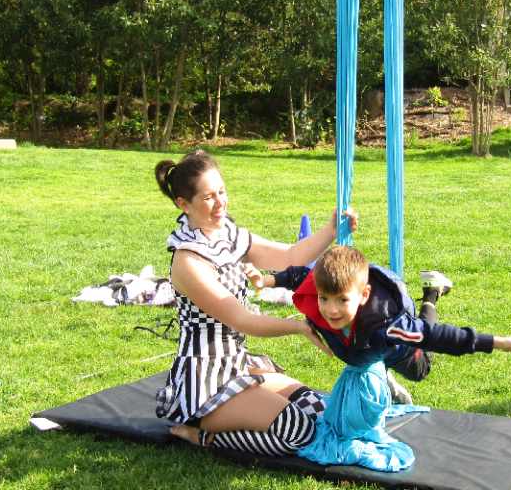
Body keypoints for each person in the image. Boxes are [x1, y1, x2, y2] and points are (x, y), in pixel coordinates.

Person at [250, 245, 511, 470]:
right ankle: (381, 371)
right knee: (371, 351)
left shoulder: (390, 326)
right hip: (365, 353)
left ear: (364, 296)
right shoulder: (321, 289)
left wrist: (500, 343)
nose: (331, 310)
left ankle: (431, 293)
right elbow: (299, 275)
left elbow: (437, 336)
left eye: (342, 300)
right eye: (324, 298)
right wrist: (264, 280)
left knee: (421, 368)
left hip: (396, 349)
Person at [153, 149, 358, 457]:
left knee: (321, 411)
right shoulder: (188, 261)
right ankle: (203, 436)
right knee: (300, 432)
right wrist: (300, 327)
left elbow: (290, 256)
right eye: (208, 197)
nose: (220, 202)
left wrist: (330, 231)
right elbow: (242, 320)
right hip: (205, 383)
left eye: (222, 191)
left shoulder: (229, 235)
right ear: (184, 204)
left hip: (237, 365)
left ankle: (224, 423)